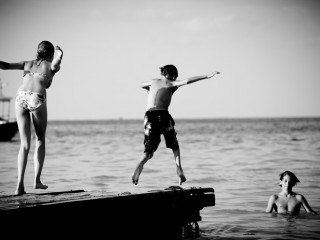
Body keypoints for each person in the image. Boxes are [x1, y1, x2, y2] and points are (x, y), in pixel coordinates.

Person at [132, 64, 220, 185]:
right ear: (170, 75)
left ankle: (140, 164)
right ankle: (179, 169)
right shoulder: (171, 83)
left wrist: (149, 89)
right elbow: (187, 81)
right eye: (174, 77)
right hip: (163, 115)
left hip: (149, 117)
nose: (174, 79)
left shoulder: (153, 82)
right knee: (174, 146)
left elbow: (142, 85)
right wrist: (206, 76)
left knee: (149, 151)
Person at [0, 41, 63, 195]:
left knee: (24, 144)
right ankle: (37, 180)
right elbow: (56, 64)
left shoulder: (27, 64)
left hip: (20, 97)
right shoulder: (50, 65)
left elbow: (5, 65)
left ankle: (19, 186)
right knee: (40, 139)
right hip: (36, 98)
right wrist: (60, 55)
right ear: (49, 54)